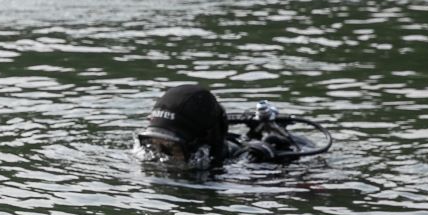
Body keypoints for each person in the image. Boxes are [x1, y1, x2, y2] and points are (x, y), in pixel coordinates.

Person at [136, 83, 331, 166]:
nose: (158, 158)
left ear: (202, 142)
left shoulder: (246, 170)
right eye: (151, 144)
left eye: (172, 149)